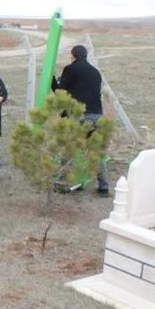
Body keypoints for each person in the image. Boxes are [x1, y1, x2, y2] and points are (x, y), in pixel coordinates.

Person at [53, 44, 109, 197]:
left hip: (78, 116)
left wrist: (51, 79)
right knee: (96, 152)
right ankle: (104, 187)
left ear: (73, 56)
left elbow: (60, 92)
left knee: (68, 149)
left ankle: (63, 182)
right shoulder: (96, 72)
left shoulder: (71, 69)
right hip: (97, 116)